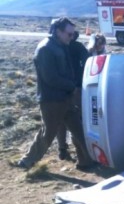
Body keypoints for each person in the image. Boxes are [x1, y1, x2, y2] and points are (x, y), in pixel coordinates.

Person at [16, 17, 95, 171]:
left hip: (66, 98)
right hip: (52, 101)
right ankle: (27, 161)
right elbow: (50, 77)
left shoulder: (60, 45)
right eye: (69, 34)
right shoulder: (46, 48)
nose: (72, 37)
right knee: (48, 133)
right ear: (58, 31)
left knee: (79, 130)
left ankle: (87, 161)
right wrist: (72, 86)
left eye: (73, 34)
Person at [56, 30, 90, 161]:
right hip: (75, 87)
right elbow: (87, 61)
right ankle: (82, 153)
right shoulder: (77, 46)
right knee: (77, 119)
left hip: (58, 89)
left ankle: (62, 149)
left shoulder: (55, 47)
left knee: (61, 120)